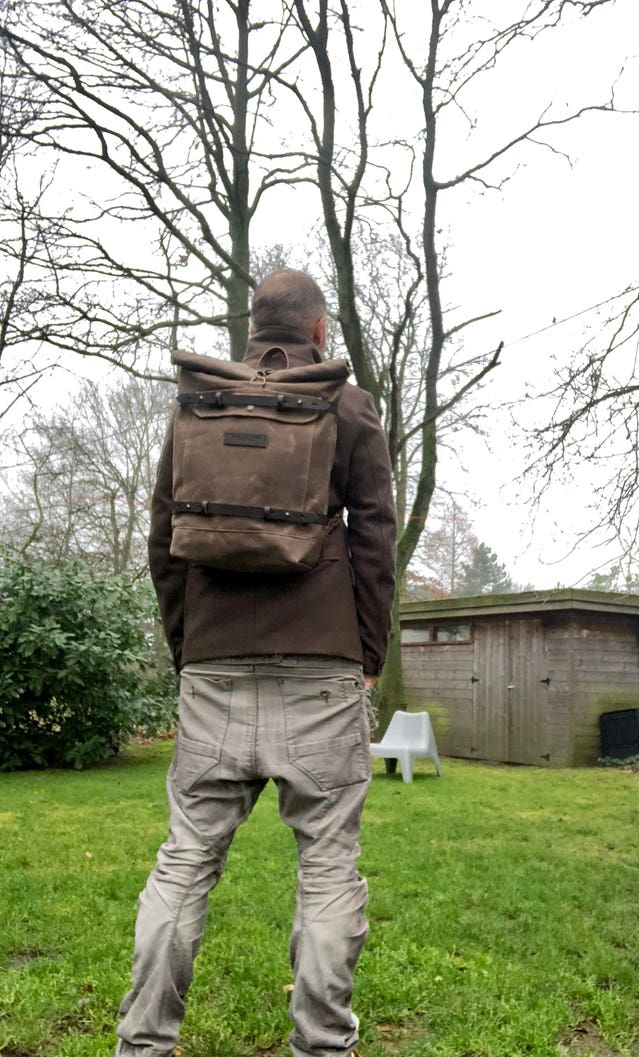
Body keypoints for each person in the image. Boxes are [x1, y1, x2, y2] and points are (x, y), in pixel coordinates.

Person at [115, 269, 397, 1057]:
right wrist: (365, 655)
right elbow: (375, 541)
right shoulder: (344, 403)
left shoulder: (195, 405)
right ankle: (321, 1046)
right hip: (322, 666)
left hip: (213, 665)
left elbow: (162, 543)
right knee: (328, 868)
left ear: (252, 330)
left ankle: (142, 1044)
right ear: (318, 332)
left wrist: (189, 649)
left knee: (184, 864)